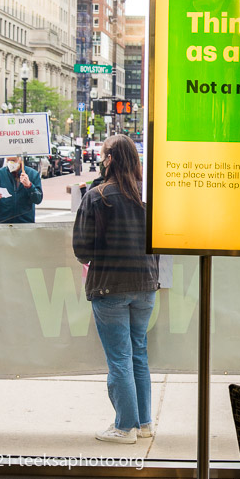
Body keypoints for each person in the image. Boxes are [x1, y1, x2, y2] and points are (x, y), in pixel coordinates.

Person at [72, 135, 159, 444]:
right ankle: (144, 422)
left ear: (109, 158)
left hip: (110, 286)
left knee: (119, 359)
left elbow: (82, 249)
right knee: (139, 355)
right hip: (146, 286)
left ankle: (124, 427)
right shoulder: (147, 197)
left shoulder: (98, 197)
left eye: (104, 153)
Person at [0, 156, 44, 223]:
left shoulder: (32, 174)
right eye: (8, 160)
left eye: (13, 160)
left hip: (25, 222)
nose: (10, 163)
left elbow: (38, 199)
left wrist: (29, 186)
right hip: (4, 221)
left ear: (20, 159)